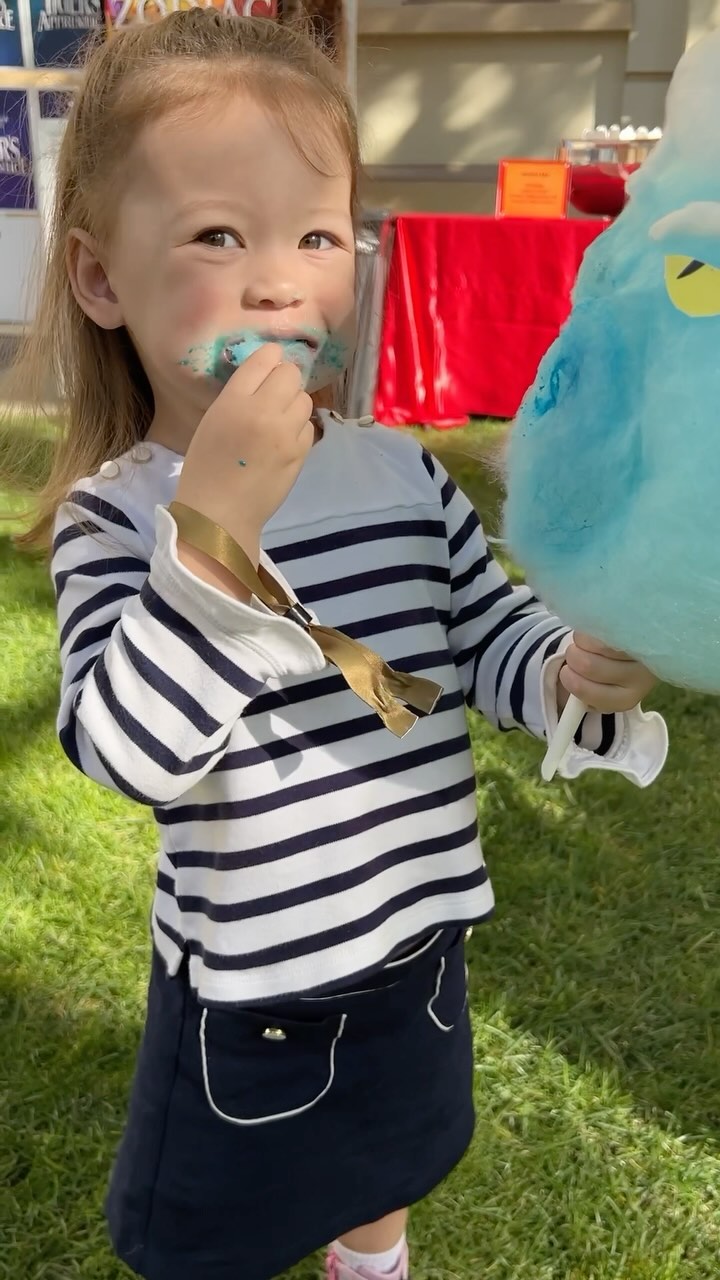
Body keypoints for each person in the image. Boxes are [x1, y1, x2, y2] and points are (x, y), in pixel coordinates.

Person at [14, 12, 668, 1280]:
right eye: (218, 236)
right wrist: (214, 538)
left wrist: (572, 670)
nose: (278, 282)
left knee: (391, 1160)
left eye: (315, 236)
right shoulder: (120, 519)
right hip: (257, 991)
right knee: (208, 1234)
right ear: (100, 279)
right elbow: (126, 754)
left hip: (420, 940)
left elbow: (487, 638)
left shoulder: (401, 473)